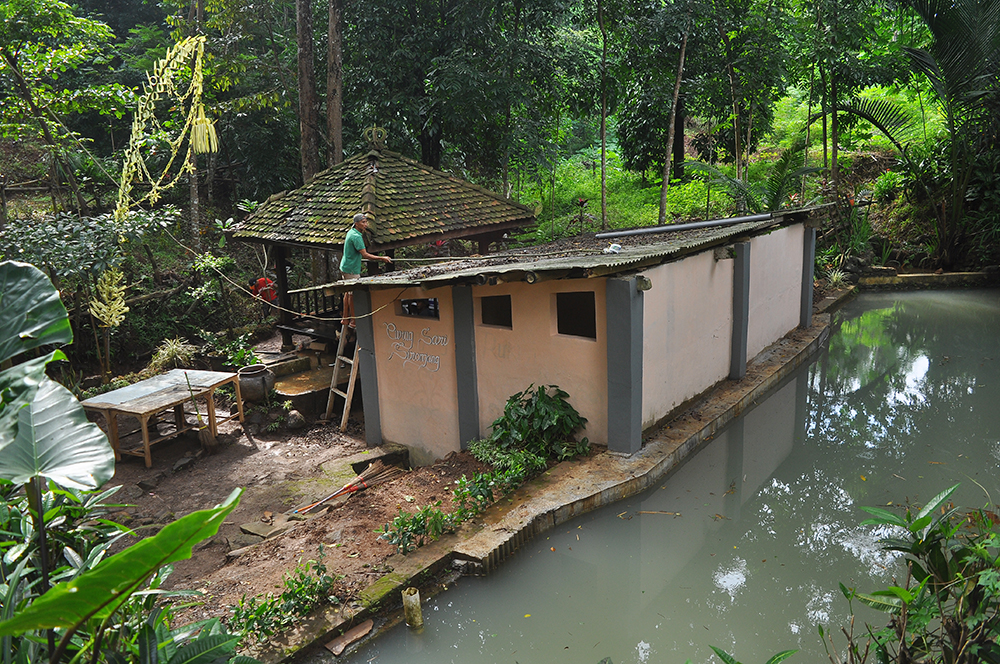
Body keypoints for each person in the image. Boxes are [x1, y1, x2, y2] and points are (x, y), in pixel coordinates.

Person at [340, 212, 392, 329]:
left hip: (345, 266)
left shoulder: (351, 232)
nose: (366, 225)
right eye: (363, 222)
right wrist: (381, 258)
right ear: (356, 223)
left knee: (347, 292)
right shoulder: (356, 236)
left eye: (366, 222)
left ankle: (345, 317)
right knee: (353, 294)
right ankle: (353, 320)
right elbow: (365, 255)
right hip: (352, 269)